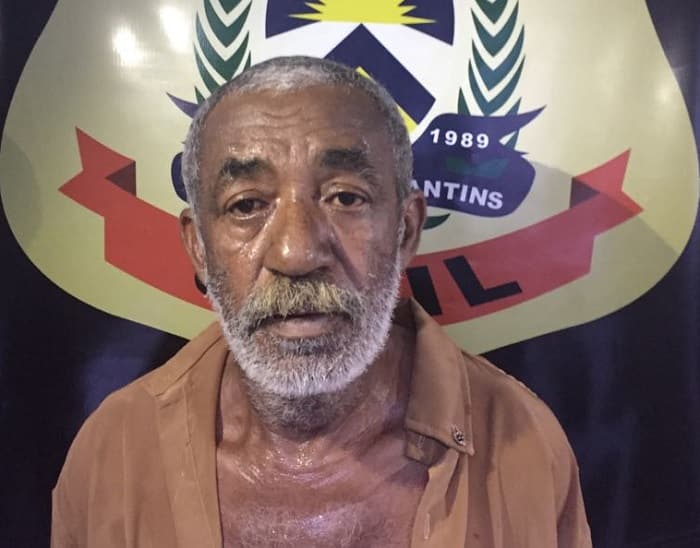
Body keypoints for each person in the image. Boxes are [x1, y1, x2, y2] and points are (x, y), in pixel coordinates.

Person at [52, 56, 592, 548]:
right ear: (199, 248)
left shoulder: (522, 447)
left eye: (345, 198)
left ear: (405, 231)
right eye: (247, 205)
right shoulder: (114, 454)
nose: (296, 253)